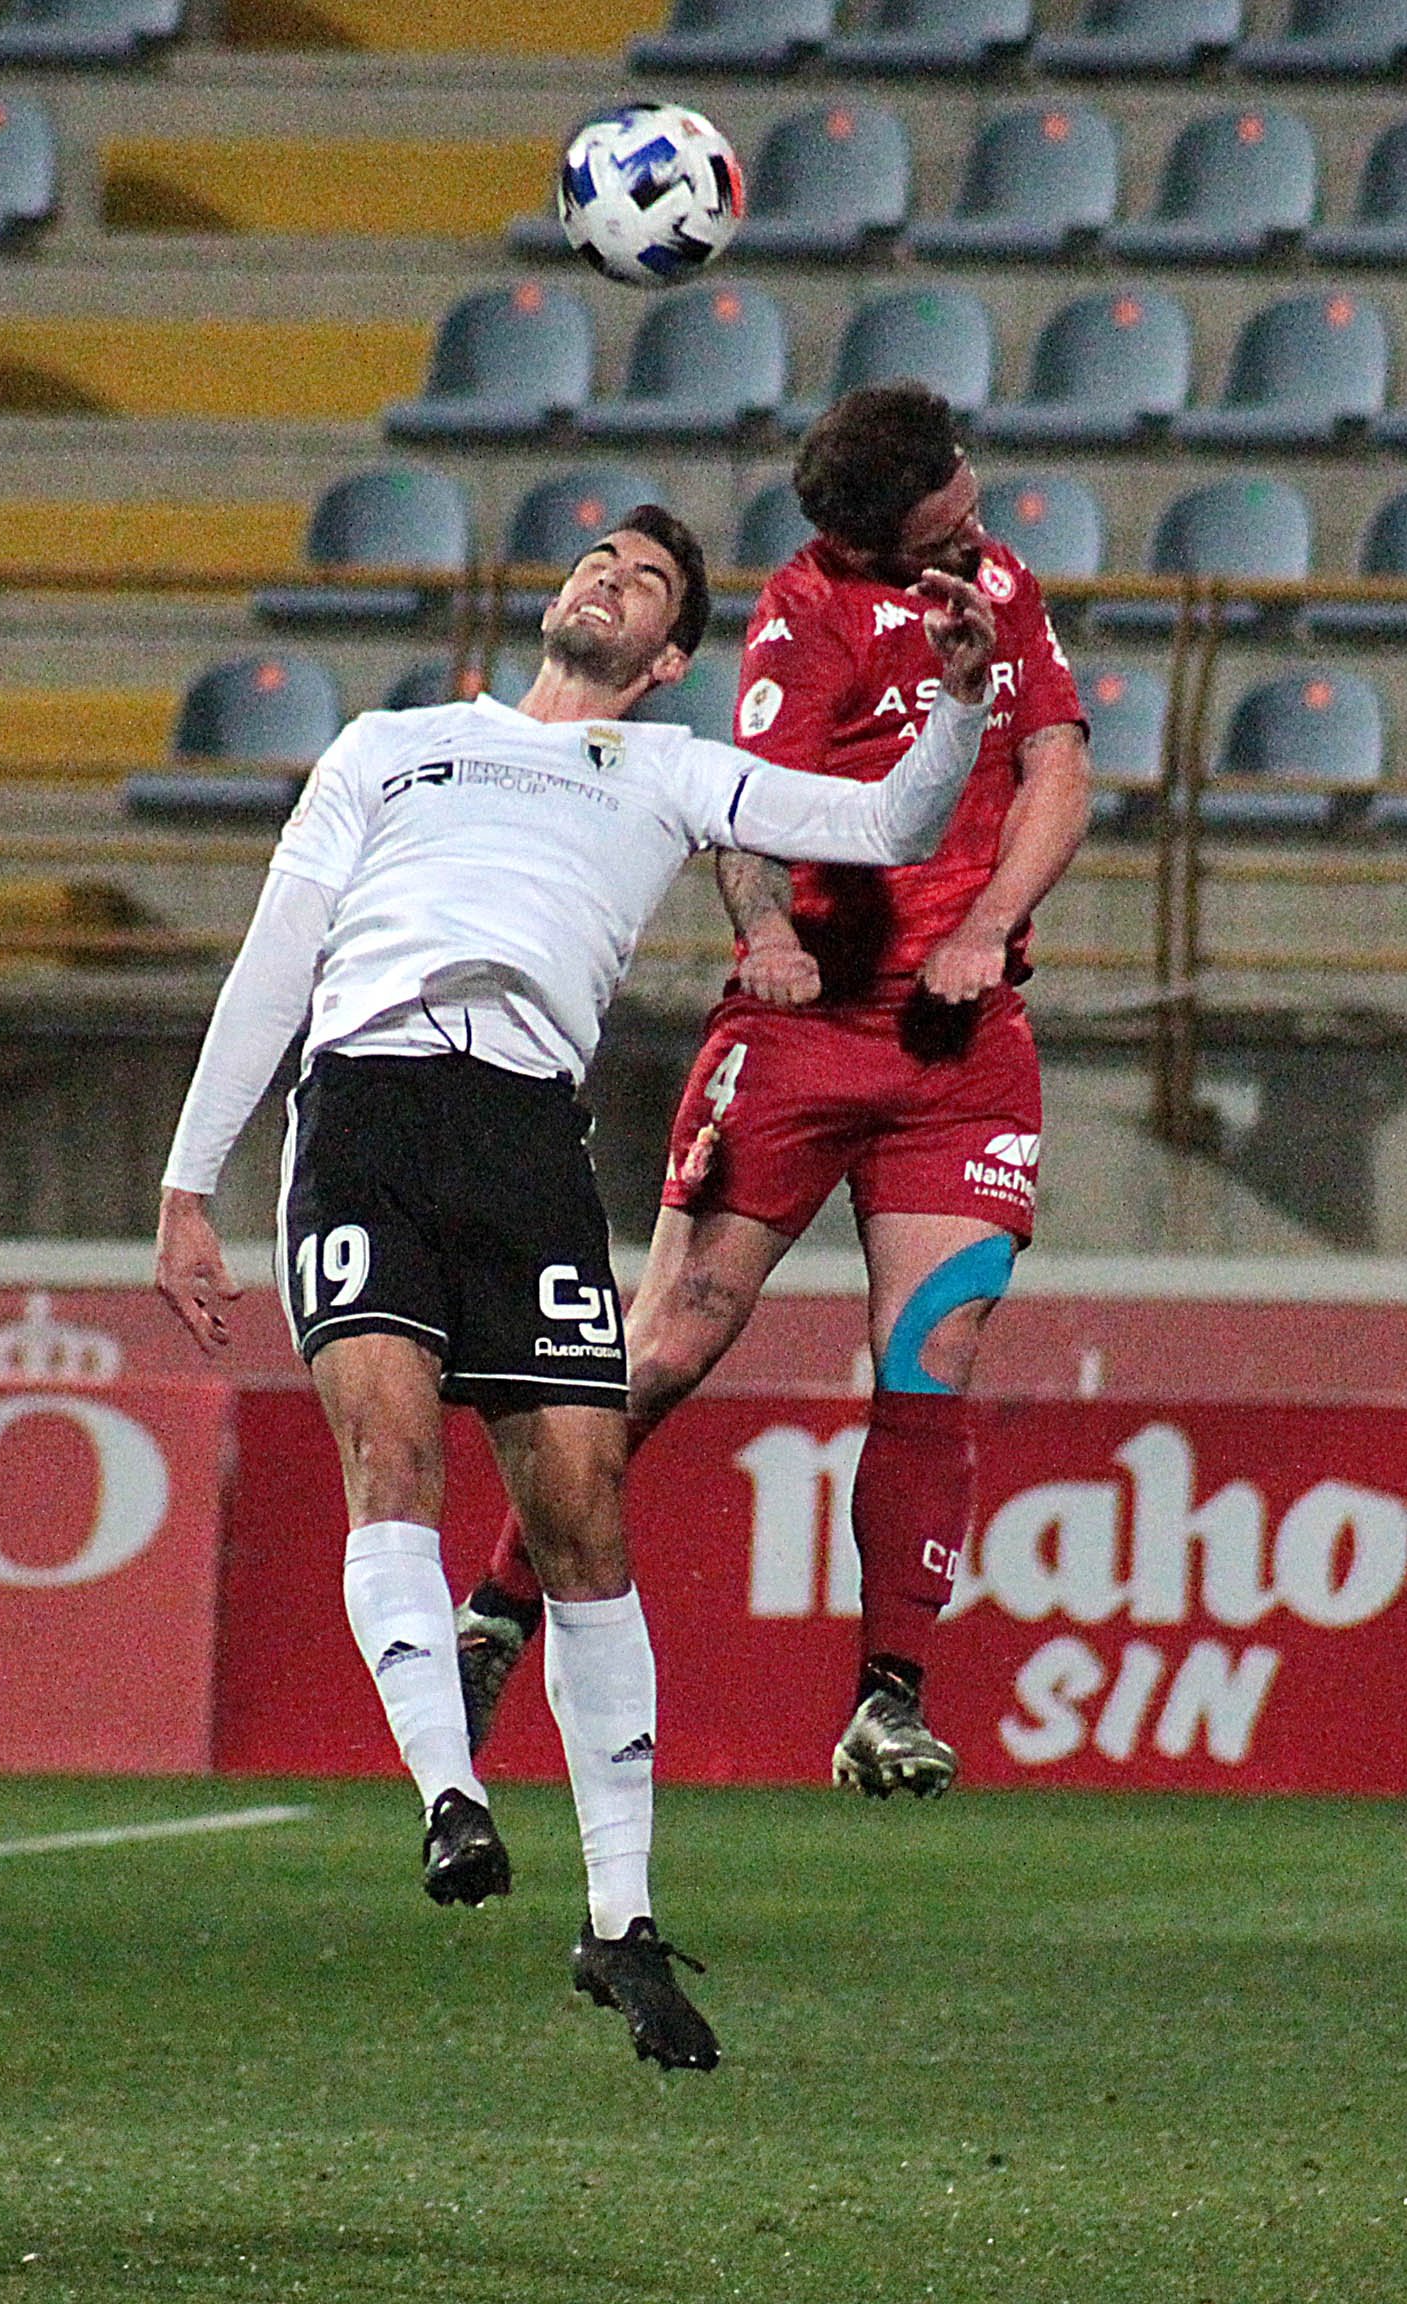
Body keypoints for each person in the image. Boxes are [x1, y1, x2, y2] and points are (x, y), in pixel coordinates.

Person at [153, 506, 998, 2071]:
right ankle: (450, 1800)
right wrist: (190, 1181)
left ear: (671, 655)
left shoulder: (665, 771)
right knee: (388, 1461)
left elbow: (886, 829)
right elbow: (280, 954)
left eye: (650, 583)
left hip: (526, 1136)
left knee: (586, 1518)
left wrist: (957, 702)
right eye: (599, 560)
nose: (609, 580)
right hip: (369, 1112)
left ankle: (620, 1926)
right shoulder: (386, 746)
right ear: (561, 599)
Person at [458, 382, 1094, 1799]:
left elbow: (1059, 764)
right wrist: (767, 932)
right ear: (875, 536)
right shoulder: (805, 620)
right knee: (676, 1336)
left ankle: (888, 1700)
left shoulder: (1001, 589)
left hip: (963, 1048)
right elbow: (739, 798)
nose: (975, 528)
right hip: (806, 1034)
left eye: (973, 503)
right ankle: (500, 1604)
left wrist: (989, 925)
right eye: (946, 515)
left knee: (936, 1349)